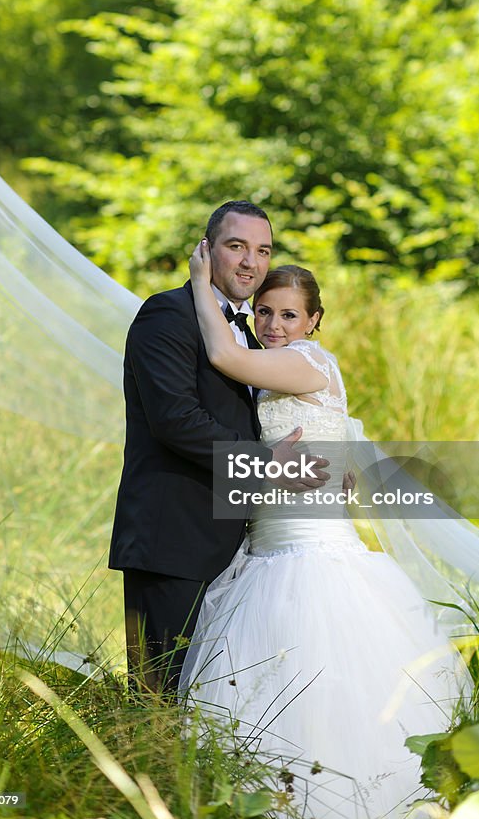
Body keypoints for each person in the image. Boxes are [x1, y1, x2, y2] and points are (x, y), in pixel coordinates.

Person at [181, 244, 472, 819]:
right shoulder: (273, 373)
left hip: (309, 554)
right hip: (264, 547)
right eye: (264, 312)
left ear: (314, 320)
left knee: (320, 681)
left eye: (290, 315)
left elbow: (219, 351)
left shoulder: (306, 362)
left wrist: (198, 277)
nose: (274, 325)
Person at [108, 201, 330, 694]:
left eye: (263, 250)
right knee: (158, 700)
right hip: (173, 540)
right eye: (237, 247)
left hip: (240, 551)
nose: (251, 261)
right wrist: (265, 463)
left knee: (213, 707)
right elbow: (176, 421)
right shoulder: (166, 314)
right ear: (207, 250)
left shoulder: (255, 336)